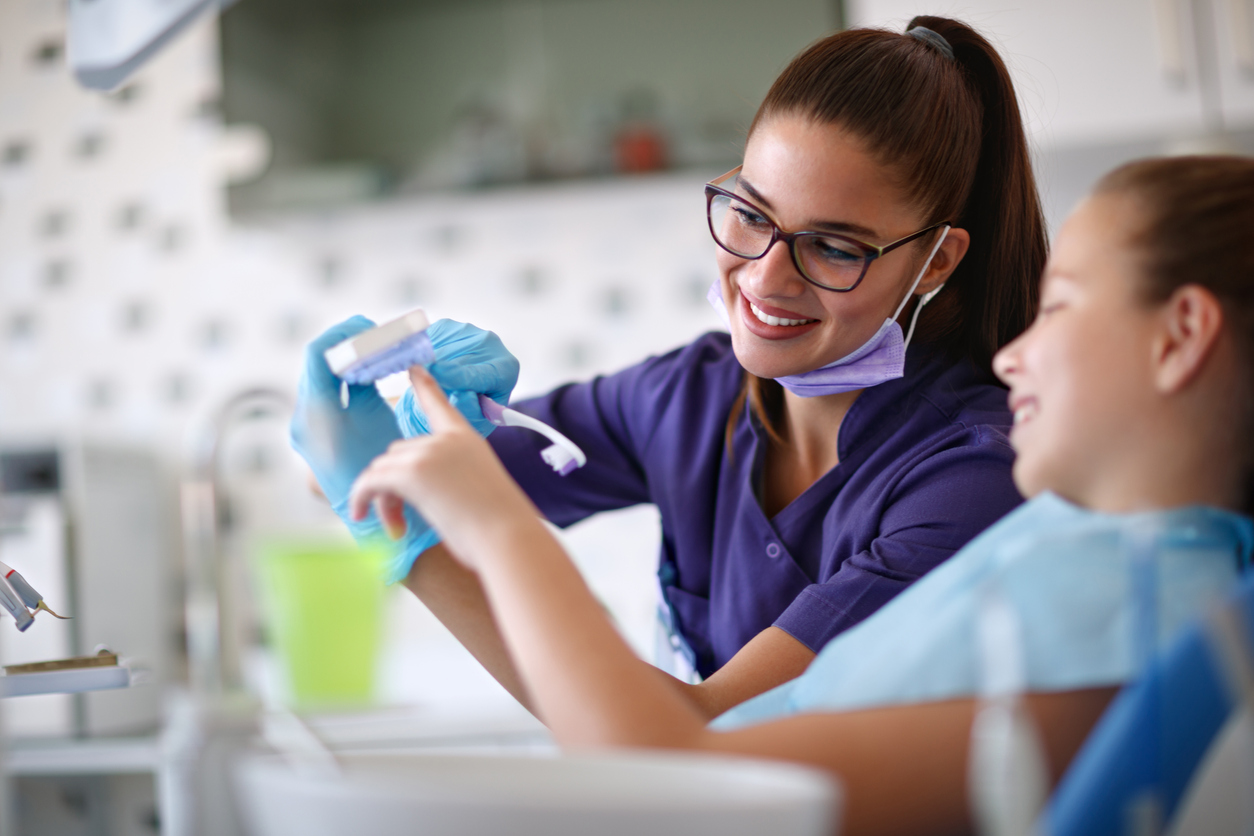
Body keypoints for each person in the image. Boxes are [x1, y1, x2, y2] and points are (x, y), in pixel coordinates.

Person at [347, 155, 1254, 835]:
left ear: (1180, 336)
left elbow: (679, 777)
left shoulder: (1123, 624)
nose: (1012, 353)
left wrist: (495, 531)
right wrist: (395, 500)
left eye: (1058, 309)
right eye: (748, 216)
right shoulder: (1098, 570)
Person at [292, 16, 1045, 716]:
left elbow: (706, 729)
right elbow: (366, 484)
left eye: (834, 247)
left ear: (936, 260)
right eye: (752, 214)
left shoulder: (972, 479)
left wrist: (413, 546)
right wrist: (387, 434)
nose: (765, 279)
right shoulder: (692, 396)